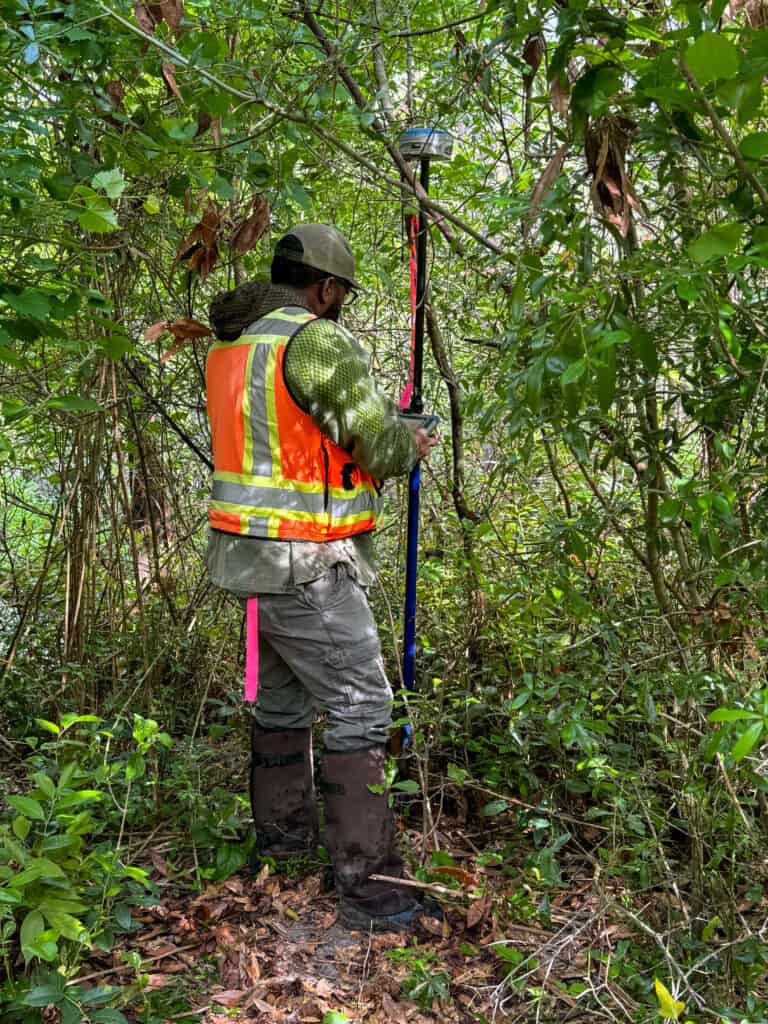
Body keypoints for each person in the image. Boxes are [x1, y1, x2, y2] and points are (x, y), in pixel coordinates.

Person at [205, 224, 438, 931]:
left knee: (280, 708)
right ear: (326, 288)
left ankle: (278, 849)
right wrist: (413, 438)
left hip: (247, 565)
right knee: (363, 706)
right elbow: (377, 447)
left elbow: (290, 436)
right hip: (306, 564)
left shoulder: (233, 345)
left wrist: (385, 429)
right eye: (339, 295)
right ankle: (370, 886)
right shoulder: (315, 341)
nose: (338, 306)